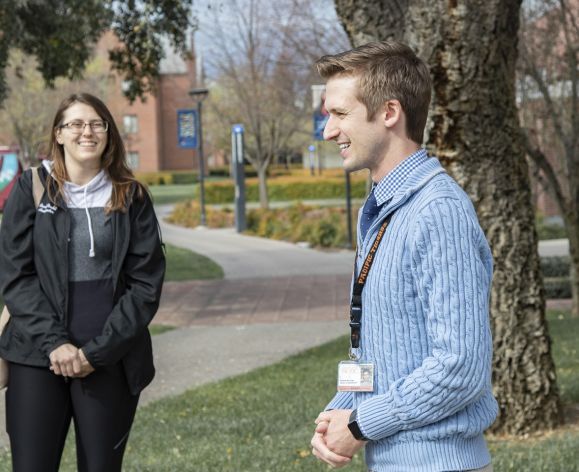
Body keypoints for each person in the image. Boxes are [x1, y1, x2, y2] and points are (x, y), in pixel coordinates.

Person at [310, 41, 498, 471]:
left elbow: (460, 367)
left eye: (339, 114)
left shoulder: (437, 211)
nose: (328, 131)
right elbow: (385, 353)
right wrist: (339, 412)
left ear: (389, 112)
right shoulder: (384, 209)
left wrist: (358, 425)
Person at [0, 93, 165, 471]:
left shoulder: (131, 195)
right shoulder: (31, 188)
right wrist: (56, 343)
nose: (86, 132)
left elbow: (145, 286)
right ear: (58, 133)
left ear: (108, 133)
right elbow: (15, 276)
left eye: (96, 123)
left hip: (109, 360)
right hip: (36, 357)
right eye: (75, 124)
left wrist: (98, 353)